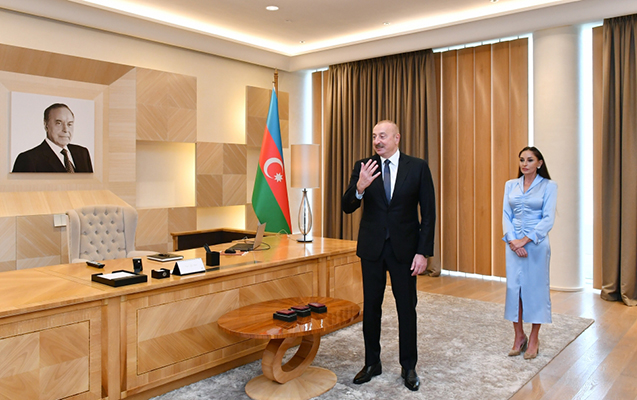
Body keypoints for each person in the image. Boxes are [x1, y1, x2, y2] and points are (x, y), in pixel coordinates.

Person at [342, 120, 435, 391]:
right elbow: (347, 206)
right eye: (374, 136)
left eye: (382, 136)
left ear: (397, 138)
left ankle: (409, 366)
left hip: (404, 250)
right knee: (371, 308)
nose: (377, 141)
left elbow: (428, 213)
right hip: (372, 249)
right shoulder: (364, 166)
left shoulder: (417, 167)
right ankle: (372, 363)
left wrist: (423, 252)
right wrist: (359, 188)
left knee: (406, 308)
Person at [502, 146, 557, 360]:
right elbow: (506, 215)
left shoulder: (549, 186)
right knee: (514, 290)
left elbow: (548, 219)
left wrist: (524, 240)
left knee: (535, 290)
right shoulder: (510, 185)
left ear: (539, 163)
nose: (525, 164)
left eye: (530, 160)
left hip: (536, 244)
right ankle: (519, 336)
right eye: (522, 160)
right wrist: (513, 241)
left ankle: (534, 338)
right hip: (513, 245)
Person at [12, 103, 93, 173]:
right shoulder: (28, 159)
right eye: (59, 123)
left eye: (69, 124)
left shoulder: (82, 153)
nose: (65, 130)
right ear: (46, 125)